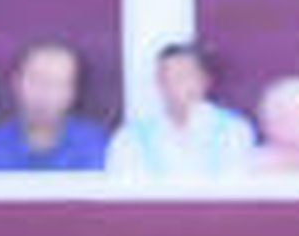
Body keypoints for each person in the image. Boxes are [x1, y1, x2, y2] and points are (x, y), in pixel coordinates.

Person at [107, 42, 253, 177]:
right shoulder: (131, 138)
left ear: (204, 81)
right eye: (168, 77)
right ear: (159, 82)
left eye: (184, 75)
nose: (176, 84)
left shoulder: (232, 131)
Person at [0, 41, 107, 172]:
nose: (44, 93)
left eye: (56, 84)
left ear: (73, 92)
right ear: (16, 83)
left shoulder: (96, 148)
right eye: (36, 80)